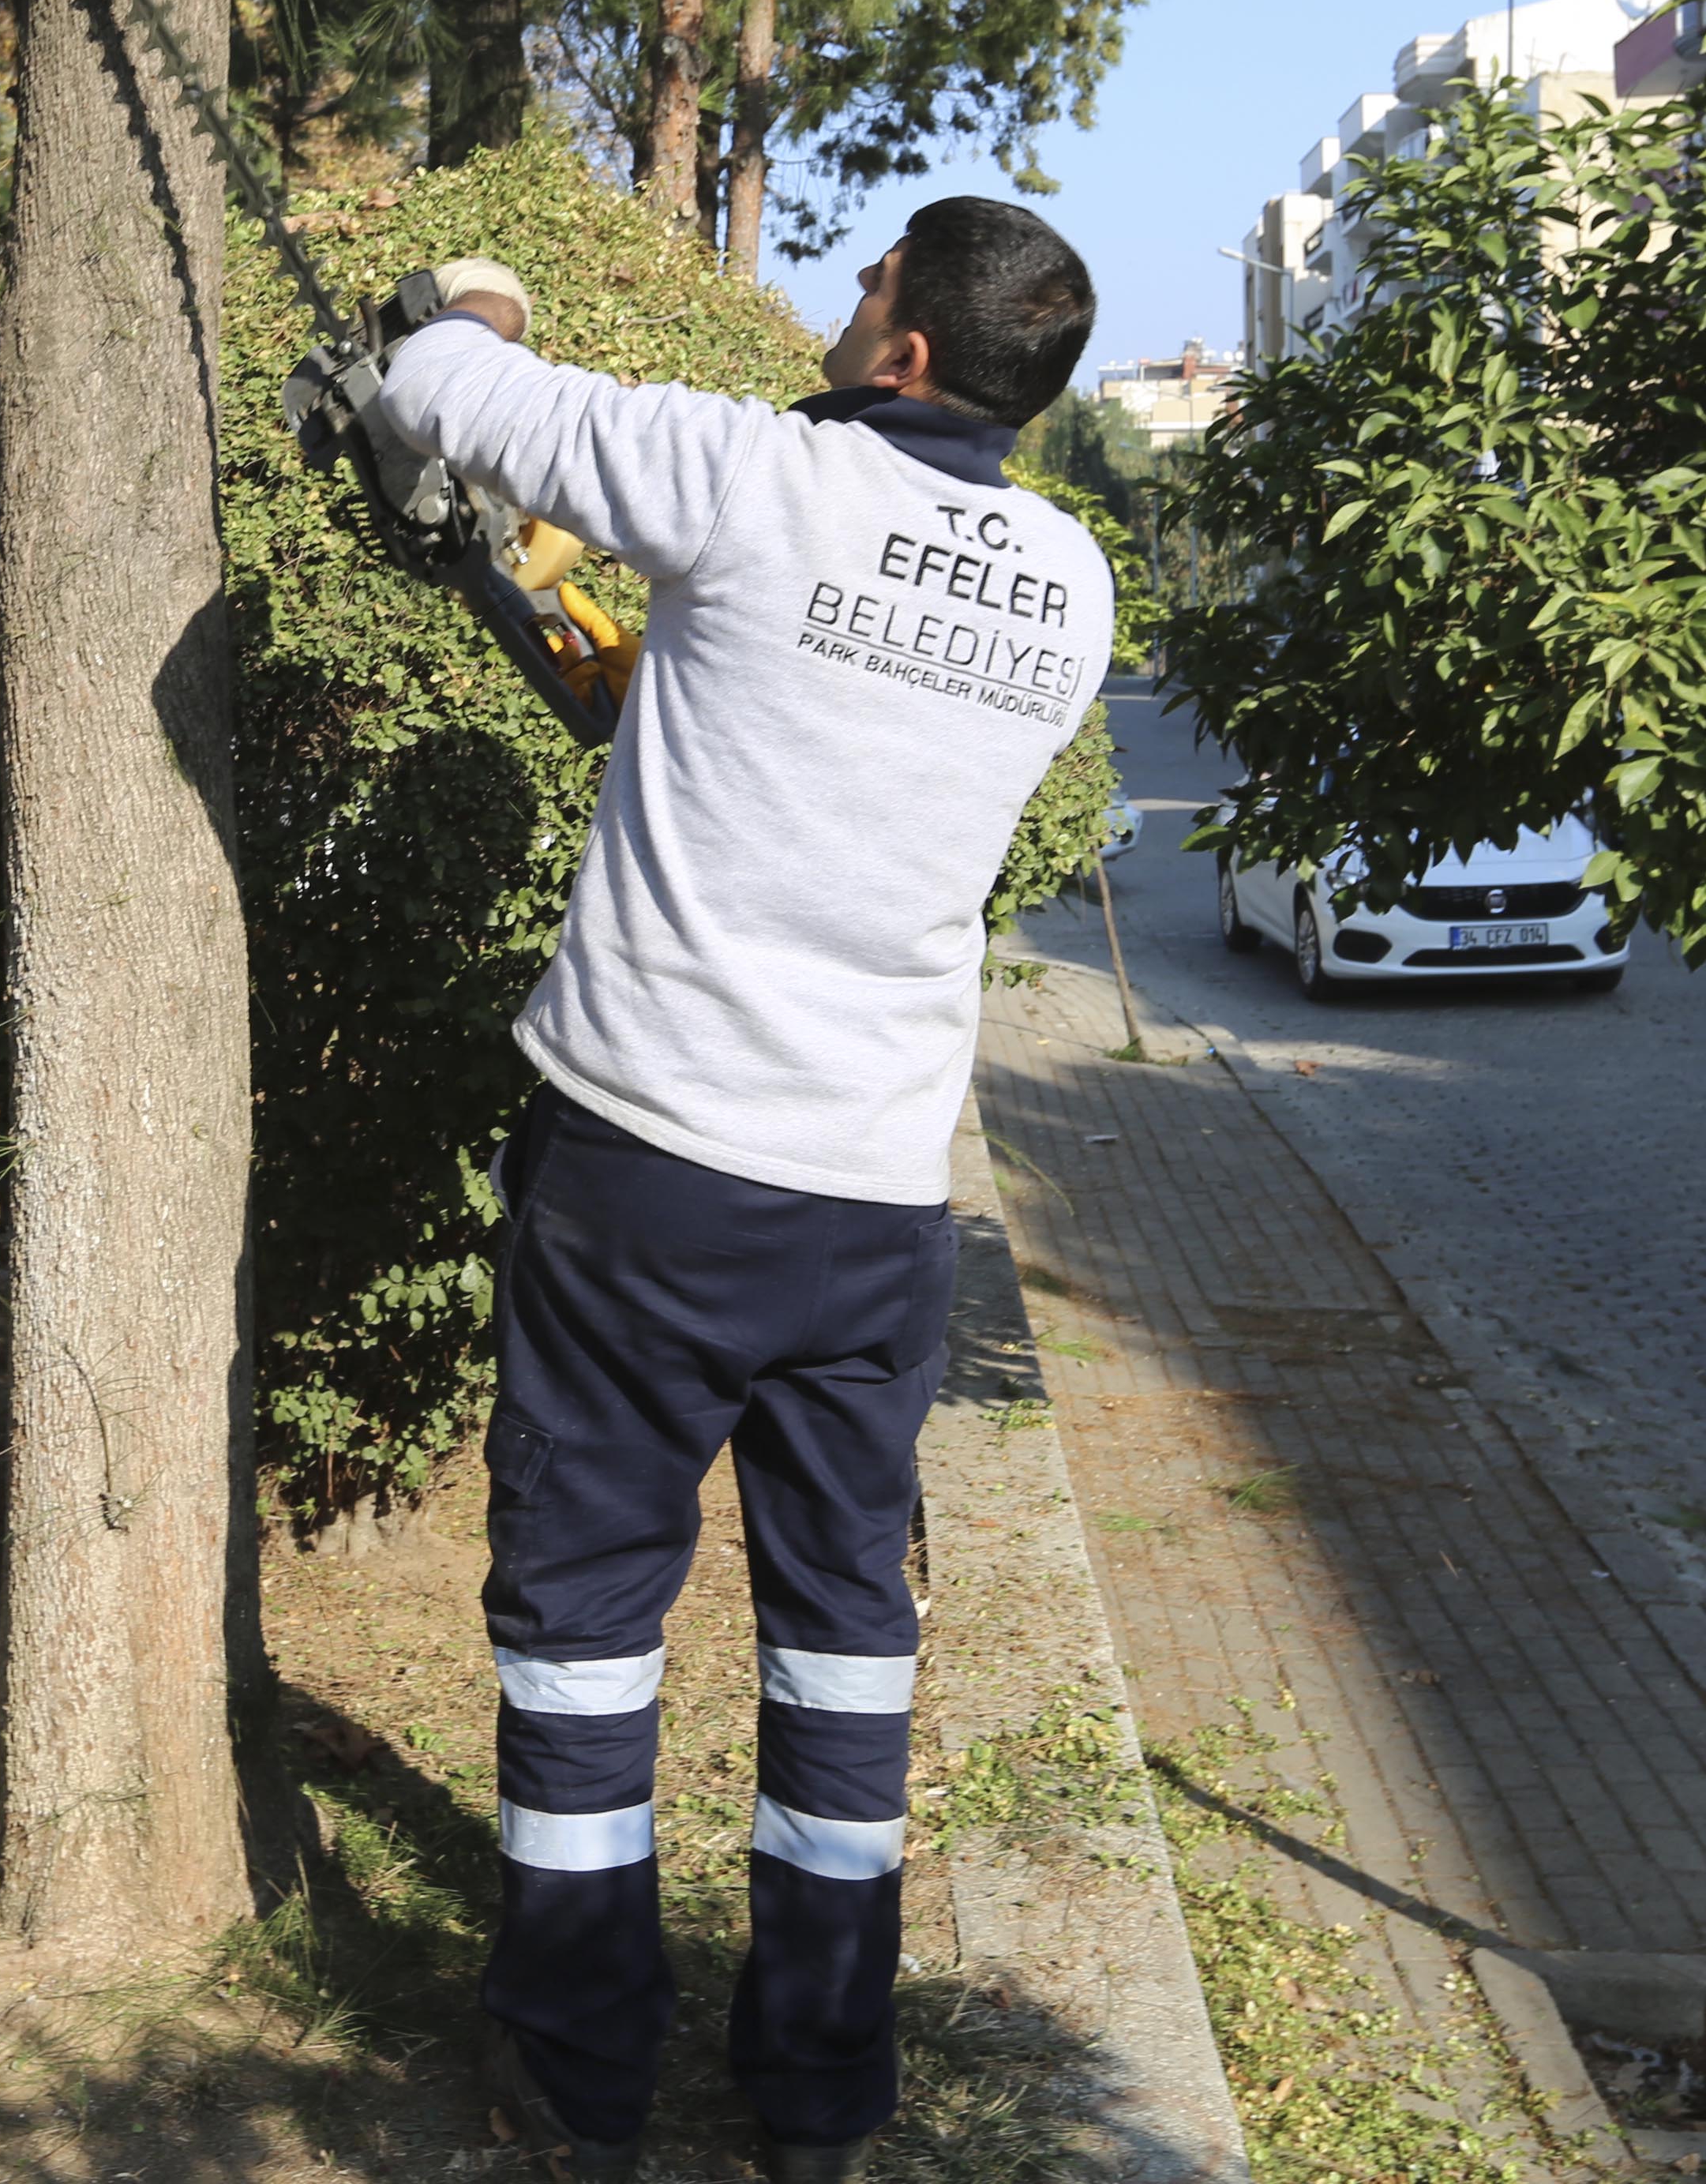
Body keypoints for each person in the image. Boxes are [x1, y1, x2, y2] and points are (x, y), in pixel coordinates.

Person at [369, 195, 1115, 2184]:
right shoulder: (1068, 586)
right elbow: (823, 743)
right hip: (876, 1208)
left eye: (865, 283)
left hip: (649, 1175)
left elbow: (441, 381)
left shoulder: (750, 475)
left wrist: (480, 296)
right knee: (844, 1643)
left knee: (586, 1625)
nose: (839, 303)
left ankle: (580, 2077)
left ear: (906, 350)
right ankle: (817, 2097)